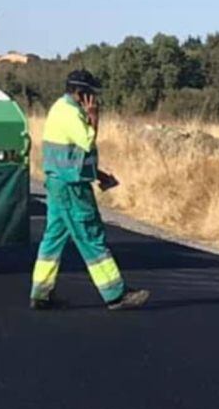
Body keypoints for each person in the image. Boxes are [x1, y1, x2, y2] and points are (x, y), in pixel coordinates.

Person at [30, 69, 149, 311]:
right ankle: (115, 294)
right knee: (91, 236)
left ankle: (40, 293)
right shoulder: (72, 114)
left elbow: (71, 156)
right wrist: (94, 116)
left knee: (53, 238)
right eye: (91, 94)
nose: (94, 99)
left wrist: (98, 175)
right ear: (81, 93)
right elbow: (87, 142)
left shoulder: (58, 108)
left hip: (58, 182)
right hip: (72, 188)